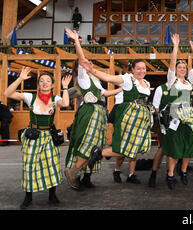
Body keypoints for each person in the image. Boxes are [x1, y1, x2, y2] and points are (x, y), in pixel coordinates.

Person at [67, 56, 154, 188]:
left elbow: (106, 93)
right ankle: (98, 155)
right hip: (128, 116)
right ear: (133, 69)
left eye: (144, 68)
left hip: (139, 118)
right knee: (127, 148)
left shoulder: (146, 82)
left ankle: (93, 162)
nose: (142, 70)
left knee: (133, 148)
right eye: (138, 68)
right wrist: (92, 70)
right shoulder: (127, 79)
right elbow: (108, 78)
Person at [63, 29, 122, 190]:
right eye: (85, 63)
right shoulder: (82, 78)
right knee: (89, 144)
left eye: (90, 62)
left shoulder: (94, 81)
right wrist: (77, 42)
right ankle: (73, 172)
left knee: (96, 146)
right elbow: (81, 59)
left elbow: (106, 93)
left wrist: (123, 89)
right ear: (80, 67)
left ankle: (84, 177)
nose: (89, 63)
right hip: (91, 112)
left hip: (100, 112)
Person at [4, 67, 71, 209]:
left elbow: (65, 104)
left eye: (48, 81)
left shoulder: (56, 98)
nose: (45, 83)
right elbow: (7, 93)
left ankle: (52, 195)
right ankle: (28, 197)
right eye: (41, 81)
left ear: (52, 85)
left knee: (51, 166)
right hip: (33, 137)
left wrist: (65, 88)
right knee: (29, 167)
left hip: (48, 138)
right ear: (38, 84)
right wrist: (20, 79)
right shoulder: (30, 97)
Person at [161, 34, 193, 189]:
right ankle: (170, 175)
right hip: (175, 118)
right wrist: (175, 46)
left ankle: (183, 172)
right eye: (179, 67)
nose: (181, 69)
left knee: (189, 145)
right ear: (176, 70)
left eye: (184, 67)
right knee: (174, 148)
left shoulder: (190, 82)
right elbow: (171, 64)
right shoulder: (172, 81)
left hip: (189, 118)